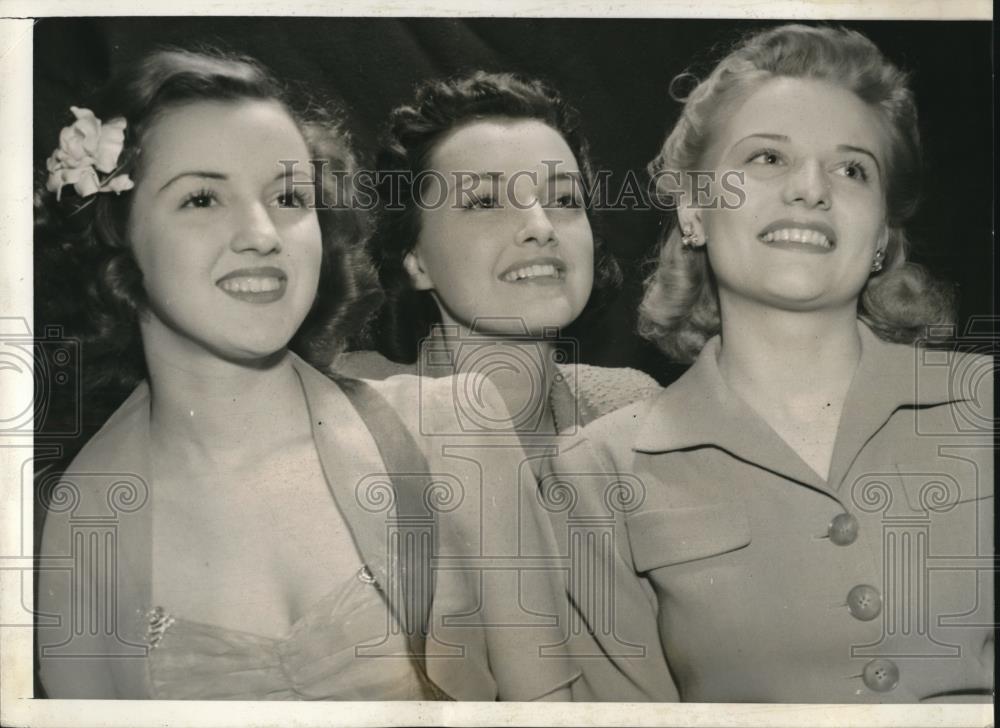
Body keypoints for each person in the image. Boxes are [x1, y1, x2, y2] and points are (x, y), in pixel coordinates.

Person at [35, 48, 578, 701]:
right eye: (203, 198)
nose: (263, 233)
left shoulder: (457, 429)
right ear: (117, 235)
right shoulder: (70, 527)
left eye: (289, 195)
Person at [546, 24, 993, 702]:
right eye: (766, 159)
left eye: (852, 169)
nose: (811, 188)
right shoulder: (598, 470)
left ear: (881, 236)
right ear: (693, 208)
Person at [333, 71, 660, 443]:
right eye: (485, 201)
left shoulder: (631, 408)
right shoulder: (341, 407)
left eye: (565, 200)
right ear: (415, 258)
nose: (541, 226)